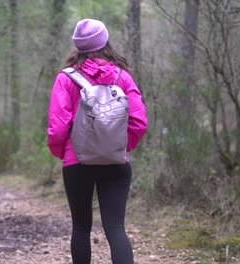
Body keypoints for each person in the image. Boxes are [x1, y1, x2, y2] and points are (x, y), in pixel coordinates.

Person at [47, 18, 147, 264]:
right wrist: (119, 148)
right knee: (116, 229)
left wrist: (65, 153)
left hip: (77, 163)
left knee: (81, 228)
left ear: (78, 46)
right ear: (104, 42)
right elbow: (138, 122)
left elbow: (58, 128)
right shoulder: (123, 77)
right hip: (116, 162)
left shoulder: (65, 78)